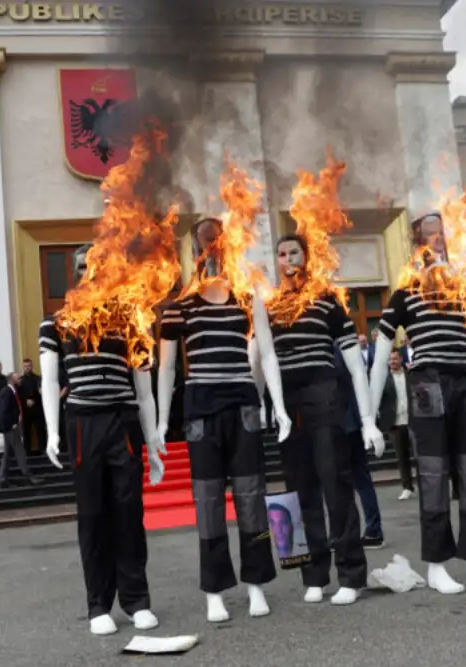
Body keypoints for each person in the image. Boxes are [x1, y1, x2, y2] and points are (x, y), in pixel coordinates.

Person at [369, 212, 466, 595]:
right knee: (432, 476)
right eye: (428, 236)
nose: (436, 240)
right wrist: (370, 416)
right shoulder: (405, 292)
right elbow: (382, 354)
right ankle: (435, 565)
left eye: (440, 234)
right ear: (417, 244)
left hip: (465, 384)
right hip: (427, 386)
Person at [157, 216, 290, 623]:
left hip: (243, 403)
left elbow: (267, 353)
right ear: (195, 253)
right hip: (200, 405)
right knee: (208, 500)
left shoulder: (248, 297)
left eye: (217, 243)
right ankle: (214, 589)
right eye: (204, 244)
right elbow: (166, 369)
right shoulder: (180, 304)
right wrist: (162, 421)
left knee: (251, 496)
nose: (211, 250)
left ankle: (256, 583)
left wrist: (279, 407)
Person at [40, 241, 167, 636]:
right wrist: (52, 432)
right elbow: (48, 379)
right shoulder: (57, 321)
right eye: (83, 266)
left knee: (130, 513)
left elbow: (143, 390)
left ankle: (136, 600)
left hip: (122, 420)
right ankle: (99, 604)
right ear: (75, 273)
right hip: (83, 422)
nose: (90, 272)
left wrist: (153, 441)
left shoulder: (131, 319)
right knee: (93, 516)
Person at [264, 232, 381, 606]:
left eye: (294, 252)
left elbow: (353, 361)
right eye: (281, 253)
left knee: (336, 486)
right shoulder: (269, 304)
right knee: (299, 493)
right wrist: (263, 404)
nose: (288, 259)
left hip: (324, 393)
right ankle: (312, 575)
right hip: (288, 402)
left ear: (305, 256)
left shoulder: (328, 299)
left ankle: (350, 574)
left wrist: (367, 418)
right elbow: (261, 359)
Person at [336, 342, 385, 548]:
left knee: (345, 480)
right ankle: (372, 530)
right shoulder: (347, 346)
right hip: (354, 419)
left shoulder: (333, 347)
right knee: (360, 478)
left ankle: (352, 533)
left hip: (343, 420)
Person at [380, 349, 415, 500]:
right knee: (401, 457)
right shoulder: (383, 379)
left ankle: (427, 484)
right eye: (390, 360)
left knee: (421, 455)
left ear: (401, 359)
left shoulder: (410, 374)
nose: (392, 362)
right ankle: (407, 487)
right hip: (394, 422)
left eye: (395, 359)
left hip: (413, 420)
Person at [0, 373, 40, 489]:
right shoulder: (6, 392)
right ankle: (28, 476)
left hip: (11, 427)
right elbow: (4, 411)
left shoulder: (13, 391)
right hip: (11, 427)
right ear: (12, 380)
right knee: (20, 451)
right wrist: (13, 424)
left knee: (8, 454)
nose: (20, 379)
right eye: (18, 378)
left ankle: (2, 479)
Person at [19, 358, 47, 454]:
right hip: (25, 409)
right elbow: (18, 394)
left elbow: (42, 392)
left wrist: (34, 400)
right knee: (26, 431)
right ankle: (27, 451)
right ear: (23, 367)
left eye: (29, 366)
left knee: (40, 429)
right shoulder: (20, 380)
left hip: (37, 408)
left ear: (32, 366)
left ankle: (43, 449)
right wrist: (25, 401)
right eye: (26, 366)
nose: (27, 367)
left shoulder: (38, 378)